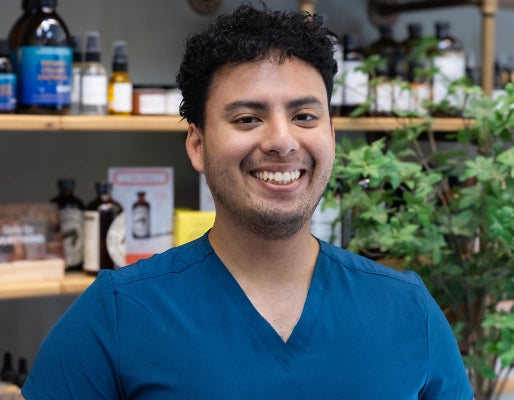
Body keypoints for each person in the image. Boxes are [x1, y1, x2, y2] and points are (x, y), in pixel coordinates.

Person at [20, 3, 473, 399]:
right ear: (197, 145)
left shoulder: (407, 309)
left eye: (304, 116)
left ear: (331, 137)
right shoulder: (119, 313)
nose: (281, 140)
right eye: (247, 117)